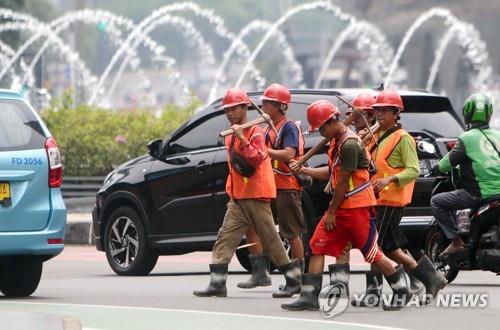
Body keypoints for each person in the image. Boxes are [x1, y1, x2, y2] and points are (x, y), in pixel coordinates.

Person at [282, 100, 411, 311]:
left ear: (332, 122)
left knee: (371, 253)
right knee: (316, 246)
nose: (321, 132)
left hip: (356, 208)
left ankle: (401, 290)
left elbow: (342, 182)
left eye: (322, 128)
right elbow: (331, 173)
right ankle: (310, 296)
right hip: (342, 207)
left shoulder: (350, 144)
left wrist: (331, 211)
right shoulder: (338, 141)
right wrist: (304, 170)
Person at [193, 88, 301, 298]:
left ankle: (293, 279)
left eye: (234, 108)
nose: (230, 113)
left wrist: (243, 138)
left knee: (271, 238)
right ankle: (217, 283)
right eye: (227, 110)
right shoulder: (230, 135)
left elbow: (256, 159)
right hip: (238, 197)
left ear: (244, 108)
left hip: (257, 195)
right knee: (225, 237)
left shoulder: (256, 133)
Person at [353, 90, 447, 307]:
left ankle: (397, 289)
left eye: (385, 111)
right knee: (391, 246)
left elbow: (413, 170)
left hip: (390, 200)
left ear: (397, 113)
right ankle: (430, 278)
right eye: (377, 111)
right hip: (375, 200)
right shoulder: (374, 134)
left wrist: (390, 180)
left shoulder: (403, 138)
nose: (380, 115)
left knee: (377, 247)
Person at [237, 83, 307, 291]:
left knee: (291, 232)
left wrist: (265, 150)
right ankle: (260, 273)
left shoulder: (289, 127)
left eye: (267, 102)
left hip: (287, 186)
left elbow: (288, 154)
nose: (263, 105)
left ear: (279, 106)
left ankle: (298, 279)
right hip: (270, 187)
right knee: (254, 227)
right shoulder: (267, 128)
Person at [432, 93, 500, 256]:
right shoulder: (498, 135)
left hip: (478, 194)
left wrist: (436, 169)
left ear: (467, 114)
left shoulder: (466, 138)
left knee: (436, 202)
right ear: (489, 114)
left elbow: (446, 164)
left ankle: (456, 242)